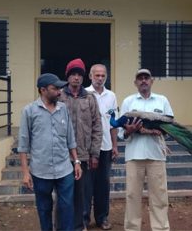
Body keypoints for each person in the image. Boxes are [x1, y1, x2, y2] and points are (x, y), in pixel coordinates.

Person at [17, 73, 82, 231]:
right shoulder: (29, 111)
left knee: (67, 208)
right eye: (55, 88)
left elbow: (70, 137)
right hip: (41, 171)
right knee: (44, 209)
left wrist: (77, 162)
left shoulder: (63, 109)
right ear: (43, 90)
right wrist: (26, 173)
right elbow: (23, 144)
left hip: (64, 169)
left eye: (60, 88)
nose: (59, 92)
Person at [120, 68, 173, 231]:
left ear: (152, 81)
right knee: (132, 196)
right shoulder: (128, 102)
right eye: (140, 78)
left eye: (146, 78)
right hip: (134, 156)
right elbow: (122, 133)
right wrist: (130, 130)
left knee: (159, 196)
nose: (143, 81)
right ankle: (132, 228)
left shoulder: (162, 100)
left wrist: (156, 131)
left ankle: (161, 228)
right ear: (135, 82)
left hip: (156, 155)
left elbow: (171, 128)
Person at [59, 59, 103, 231]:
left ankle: (79, 226)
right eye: (73, 74)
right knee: (62, 195)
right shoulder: (59, 96)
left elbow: (97, 127)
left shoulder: (89, 98)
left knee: (80, 195)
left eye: (79, 75)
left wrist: (95, 154)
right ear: (68, 76)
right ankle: (61, 226)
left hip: (83, 155)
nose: (76, 78)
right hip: (62, 155)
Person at [85, 64, 118, 230]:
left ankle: (102, 218)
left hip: (105, 147)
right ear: (90, 76)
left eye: (102, 75)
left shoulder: (111, 96)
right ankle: (84, 219)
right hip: (87, 149)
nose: (100, 78)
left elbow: (113, 123)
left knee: (102, 186)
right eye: (96, 75)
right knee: (86, 185)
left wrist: (115, 145)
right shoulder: (84, 94)